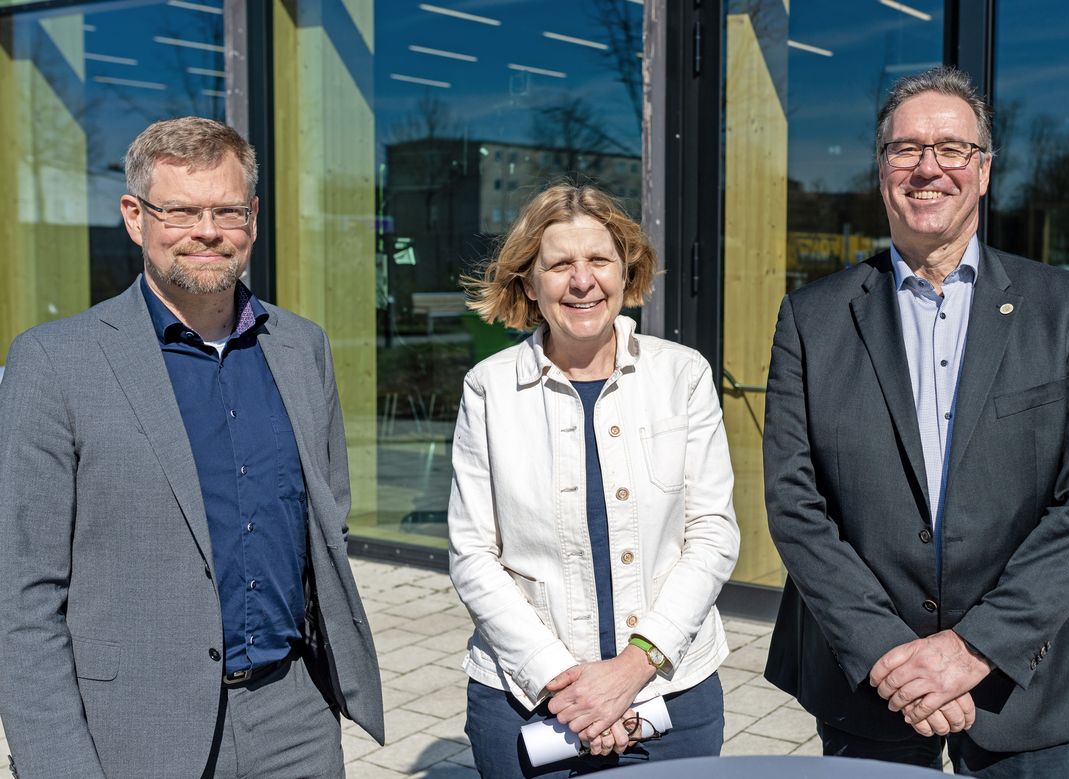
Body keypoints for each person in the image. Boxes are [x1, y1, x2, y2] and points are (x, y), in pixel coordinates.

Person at [762, 66, 1069, 777]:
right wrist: (890, 656)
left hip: (1024, 683)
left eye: (952, 149)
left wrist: (971, 649)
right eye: (906, 149)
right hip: (865, 681)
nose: (928, 168)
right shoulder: (812, 319)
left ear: (984, 171)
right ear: (881, 171)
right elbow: (794, 501)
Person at [0, 117, 384, 778]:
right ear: (134, 215)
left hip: (294, 717)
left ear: (253, 217)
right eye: (179, 210)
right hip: (134, 728)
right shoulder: (54, 361)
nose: (207, 230)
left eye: (227, 210)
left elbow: (326, 518)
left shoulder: (301, 346)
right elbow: (23, 595)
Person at [449, 183, 740, 777]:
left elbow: (712, 534)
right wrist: (571, 690)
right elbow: (472, 555)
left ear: (625, 270)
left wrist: (631, 671)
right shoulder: (489, 388)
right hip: (527, 700)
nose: (582, 281)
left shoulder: (682, 376)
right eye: (559, 264)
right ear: (529, 283)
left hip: (671, 696)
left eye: (599, 260)